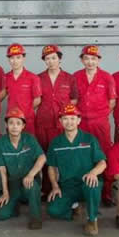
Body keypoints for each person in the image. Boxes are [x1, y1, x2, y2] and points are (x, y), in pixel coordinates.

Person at [46, 104, 105, 237]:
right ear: (60, 121)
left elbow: (102, 163)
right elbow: (51, 167)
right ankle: (75, 207)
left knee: (92, 185)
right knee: (53, 211)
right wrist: (55, 186)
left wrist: (93, 173)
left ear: (79, 120)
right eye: (65, 118)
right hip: (68, 186)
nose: (69, 122)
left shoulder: (89, 139)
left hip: (86, 182)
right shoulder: (56, 143)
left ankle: (92, 220)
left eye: (72, 118)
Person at [73, 44, 116, 204]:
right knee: (81, 154)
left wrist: (100, 115)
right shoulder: (76, 77)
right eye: (87, 58)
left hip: (100, 123)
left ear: (98, 60)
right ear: (82, 60)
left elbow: (112, 102)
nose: (90, 62)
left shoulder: (107, 77)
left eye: (93, 58)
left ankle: (106, 193)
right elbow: (73, 100)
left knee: (103, 154)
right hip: (81, 123)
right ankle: (83, 190)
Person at [0, 108, 46, 229]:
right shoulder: (0, 143)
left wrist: (31, 174)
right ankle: (14, 206)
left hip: (29, 181)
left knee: (32, 186)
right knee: (0, 214)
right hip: (13, 185)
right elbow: (2, 169)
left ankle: (35, 218)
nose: (14, 127)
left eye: (18, 123)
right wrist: (5, 192)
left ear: (23, 126)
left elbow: (42, 157)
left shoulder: (29, 139)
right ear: (6, 125)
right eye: (11, 123)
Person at [37, 44, 77, 194]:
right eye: (47, 58)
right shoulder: (38, 78)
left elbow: (74, 99)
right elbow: (36, 99)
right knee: (46, 154)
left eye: (53, 58)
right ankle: (47, 189)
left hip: (63, 124)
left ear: (59, 59)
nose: (51, 61)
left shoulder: (70, 78)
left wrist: (65, 113)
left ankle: (66, 188)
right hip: (43, 123)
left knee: (65, 155)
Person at [4, 44, 42, 135]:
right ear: (8, 59)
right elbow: (2, 95)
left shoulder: (33, 78)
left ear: (23, 58)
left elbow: (37, 100)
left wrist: (26, 110)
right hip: (11, 120)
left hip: (27, 120)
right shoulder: (5, 77)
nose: (15, 61)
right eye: (12, 58)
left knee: (28, 142)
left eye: (18, 57)